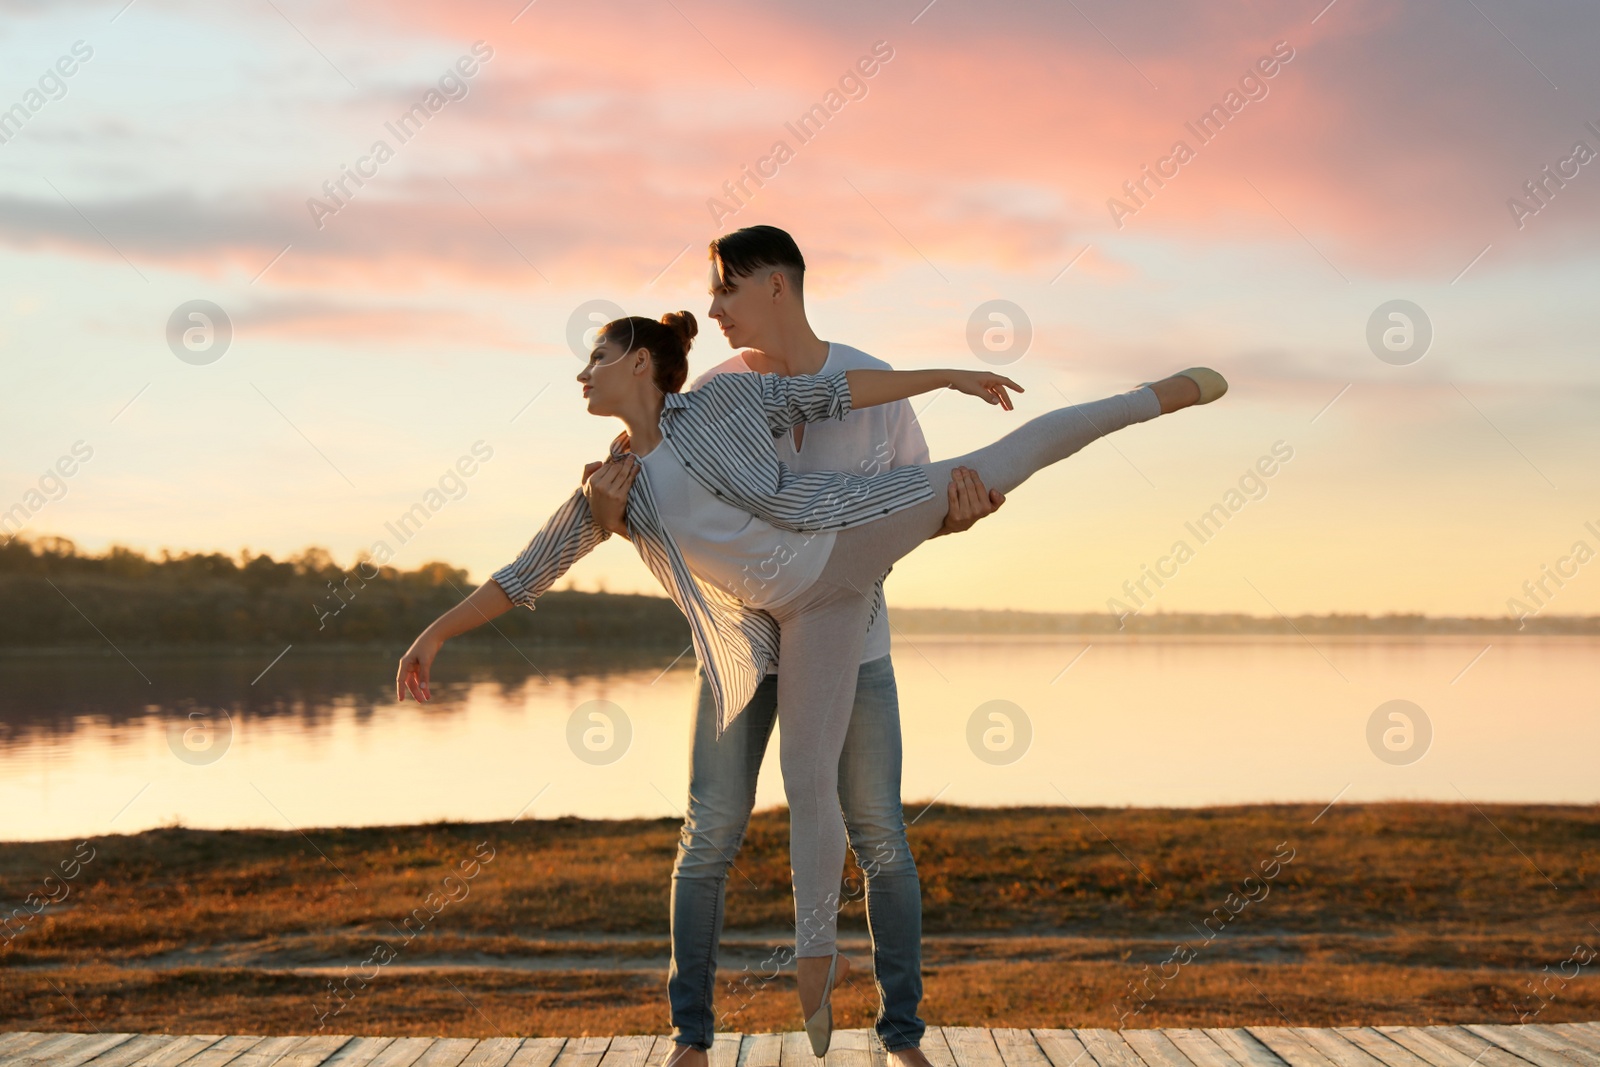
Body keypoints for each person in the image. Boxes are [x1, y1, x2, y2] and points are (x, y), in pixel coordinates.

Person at [396, 309, 1225, 1055]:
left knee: (1011, 455)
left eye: (598, 355)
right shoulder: (610, 488)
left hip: (851, 532)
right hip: (795, 624)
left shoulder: (723, 403)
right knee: (794, 785)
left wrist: (947, 374)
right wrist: (433, 635)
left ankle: (1159, 396)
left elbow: (838, 393)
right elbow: (522, 575)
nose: (583, 372)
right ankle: (806, 975)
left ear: (642, 363)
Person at [583, 227, 1002, 1067]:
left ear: (775, 285)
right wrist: (603, 507)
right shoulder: (715, 389)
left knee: (880, 828)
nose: (712, 309)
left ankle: (901, 1035)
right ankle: (691, 1039)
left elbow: (916, 506)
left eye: (725, 292)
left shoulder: (876, 389)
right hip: (744, 650)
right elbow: (644, 473)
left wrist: (959, 512)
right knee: (711, 834)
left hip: (856, 643)